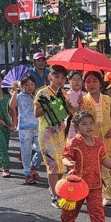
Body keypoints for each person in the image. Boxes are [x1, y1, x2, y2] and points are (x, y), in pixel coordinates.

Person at [60, 111, 111, 222]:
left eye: (91, 123)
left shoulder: (98, 141)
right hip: (77, 183)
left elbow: (104, 158)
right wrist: (68, 162)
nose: (89, 126)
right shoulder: (74, 142)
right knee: (72, 208)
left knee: (97, 209)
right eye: (84, 124)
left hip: (95, 183)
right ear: (76, 127)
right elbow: (65, 156)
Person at [35, 65, 70, 207]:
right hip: (47, 133)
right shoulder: (42, 93)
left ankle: (57, 190)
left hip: (61, 132)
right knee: (52, 165)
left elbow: (68, 112)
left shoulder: (64, 94)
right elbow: (36, 113)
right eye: (56, 77)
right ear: (50, 77)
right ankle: (54, 196)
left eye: (62, 78)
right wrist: (49, 106)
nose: (59, 80)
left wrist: (76, 105)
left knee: (61, 165)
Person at [82, 71, 111, 206]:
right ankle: (90, 193)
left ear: (100, 83)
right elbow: (79, 120)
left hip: (108, 138)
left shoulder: (107, 99)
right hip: (90, 140)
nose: (91, 84)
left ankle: (107, 195)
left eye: (94, 81)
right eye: (88, 81)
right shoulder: (83, 100)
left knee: (107, 166)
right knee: (91, 167)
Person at [10, 75, 42, 184]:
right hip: (24, 129)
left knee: (41, 149)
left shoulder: (35, 97)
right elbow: (12, 105)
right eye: (26, 85)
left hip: (37, 127)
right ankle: (27, 173)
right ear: (22, 86)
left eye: (32, 84)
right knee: (26, 152)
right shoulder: (19, 96)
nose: (29, 87)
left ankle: (33, 167)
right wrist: (15, 91)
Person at [66, 70, 85, 140]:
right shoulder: (66, 95)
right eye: (73, 79)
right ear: (69, 81)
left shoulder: (85, 95)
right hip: (70, 125)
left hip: (83, 125)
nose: (76, 82)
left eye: (79, 79)